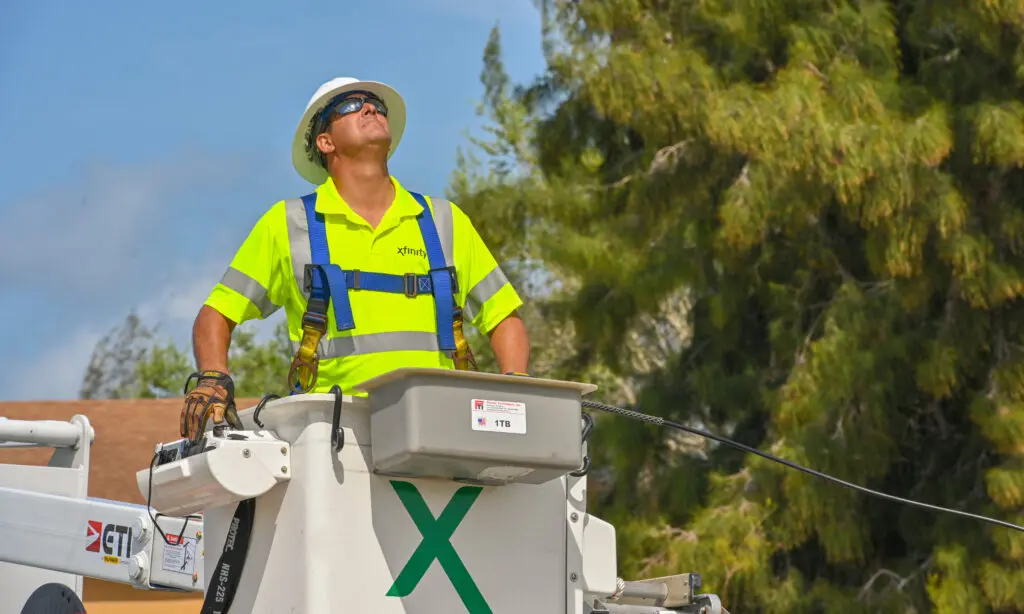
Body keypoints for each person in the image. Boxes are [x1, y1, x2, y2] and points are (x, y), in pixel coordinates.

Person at [179, 76, 530, 441]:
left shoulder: (443, 221)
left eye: (376, 104)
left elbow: (504, 317)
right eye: (350, 105)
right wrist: (213, 376)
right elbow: (215, 315)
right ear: (325, 141)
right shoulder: (289, 224)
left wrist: (517, 393)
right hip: (335, 434)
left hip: (440, 426)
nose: (371, 108)